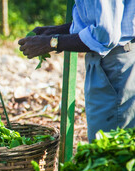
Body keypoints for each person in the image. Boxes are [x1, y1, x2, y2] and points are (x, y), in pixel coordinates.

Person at [18, 1, 135, 142]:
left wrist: (51, 42)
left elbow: (104, 35)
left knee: (110, 148)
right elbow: (95, 23)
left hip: (117, 63)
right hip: (109, 60)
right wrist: (54, 31)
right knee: (104, 142)